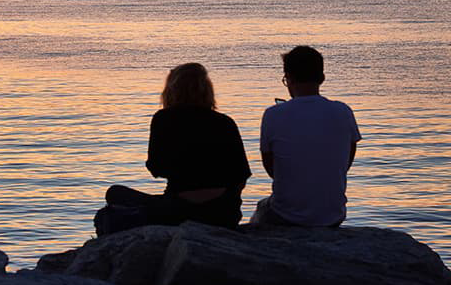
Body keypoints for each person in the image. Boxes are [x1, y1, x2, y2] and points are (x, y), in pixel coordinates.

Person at [94, 63, 251, 236]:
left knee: (115, 193)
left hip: (176, 210)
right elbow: (240, 177)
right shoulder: (225, 122)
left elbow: (156, 167)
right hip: (222, 214)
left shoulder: (163, 119)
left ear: (172, 89)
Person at [252, 46, 361, 227]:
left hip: (286, 215)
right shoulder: (343, 111)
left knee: (261, 209)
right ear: (322, 78)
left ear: (289, 78)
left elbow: (272, 169)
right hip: (333, 215)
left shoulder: (273, 115)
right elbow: (346, 162)